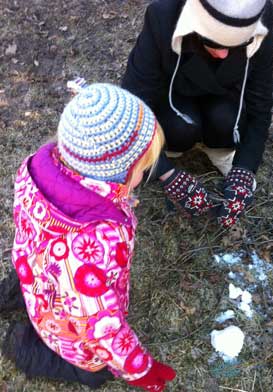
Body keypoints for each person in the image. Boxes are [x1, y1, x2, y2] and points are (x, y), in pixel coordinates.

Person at [1, 80, 176, 391]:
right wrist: (139, 368)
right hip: (67, 326)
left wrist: (118, 197)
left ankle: (20, 297)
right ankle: (26, 347)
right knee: (96, 371)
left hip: (39, 274)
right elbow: (100, 326)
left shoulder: (36, 168)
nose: (143, 176)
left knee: (40, 290)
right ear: (114, 171)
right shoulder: (94, 243)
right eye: (140, 168)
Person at [122, 0, 273, 228]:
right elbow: (134, 104)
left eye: (235, 45)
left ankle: (220, 148)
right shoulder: (163, 15)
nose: (223, 54)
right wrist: (165, 172)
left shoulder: (258, 11)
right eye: (213, 42)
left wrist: (245, 168)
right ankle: (171, 146)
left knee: (225, 121)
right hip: (175, 100)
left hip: (225, 94)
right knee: (180, 129)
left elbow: (259, 103)